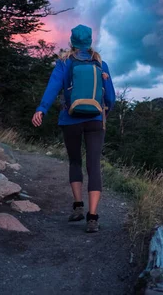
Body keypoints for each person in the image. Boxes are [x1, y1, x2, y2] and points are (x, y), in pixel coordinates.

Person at [31, 24, 116, 233]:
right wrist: (103, 114)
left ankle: (78, 207)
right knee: (94, 165)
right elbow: (111, 98)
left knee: (75, 161)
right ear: (89, 41)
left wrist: (41, 109)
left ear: (72, 42)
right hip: (96, 120)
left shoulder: (64, 63)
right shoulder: (100, 64)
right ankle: (93, 217)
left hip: (70, 119)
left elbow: (53, 87)